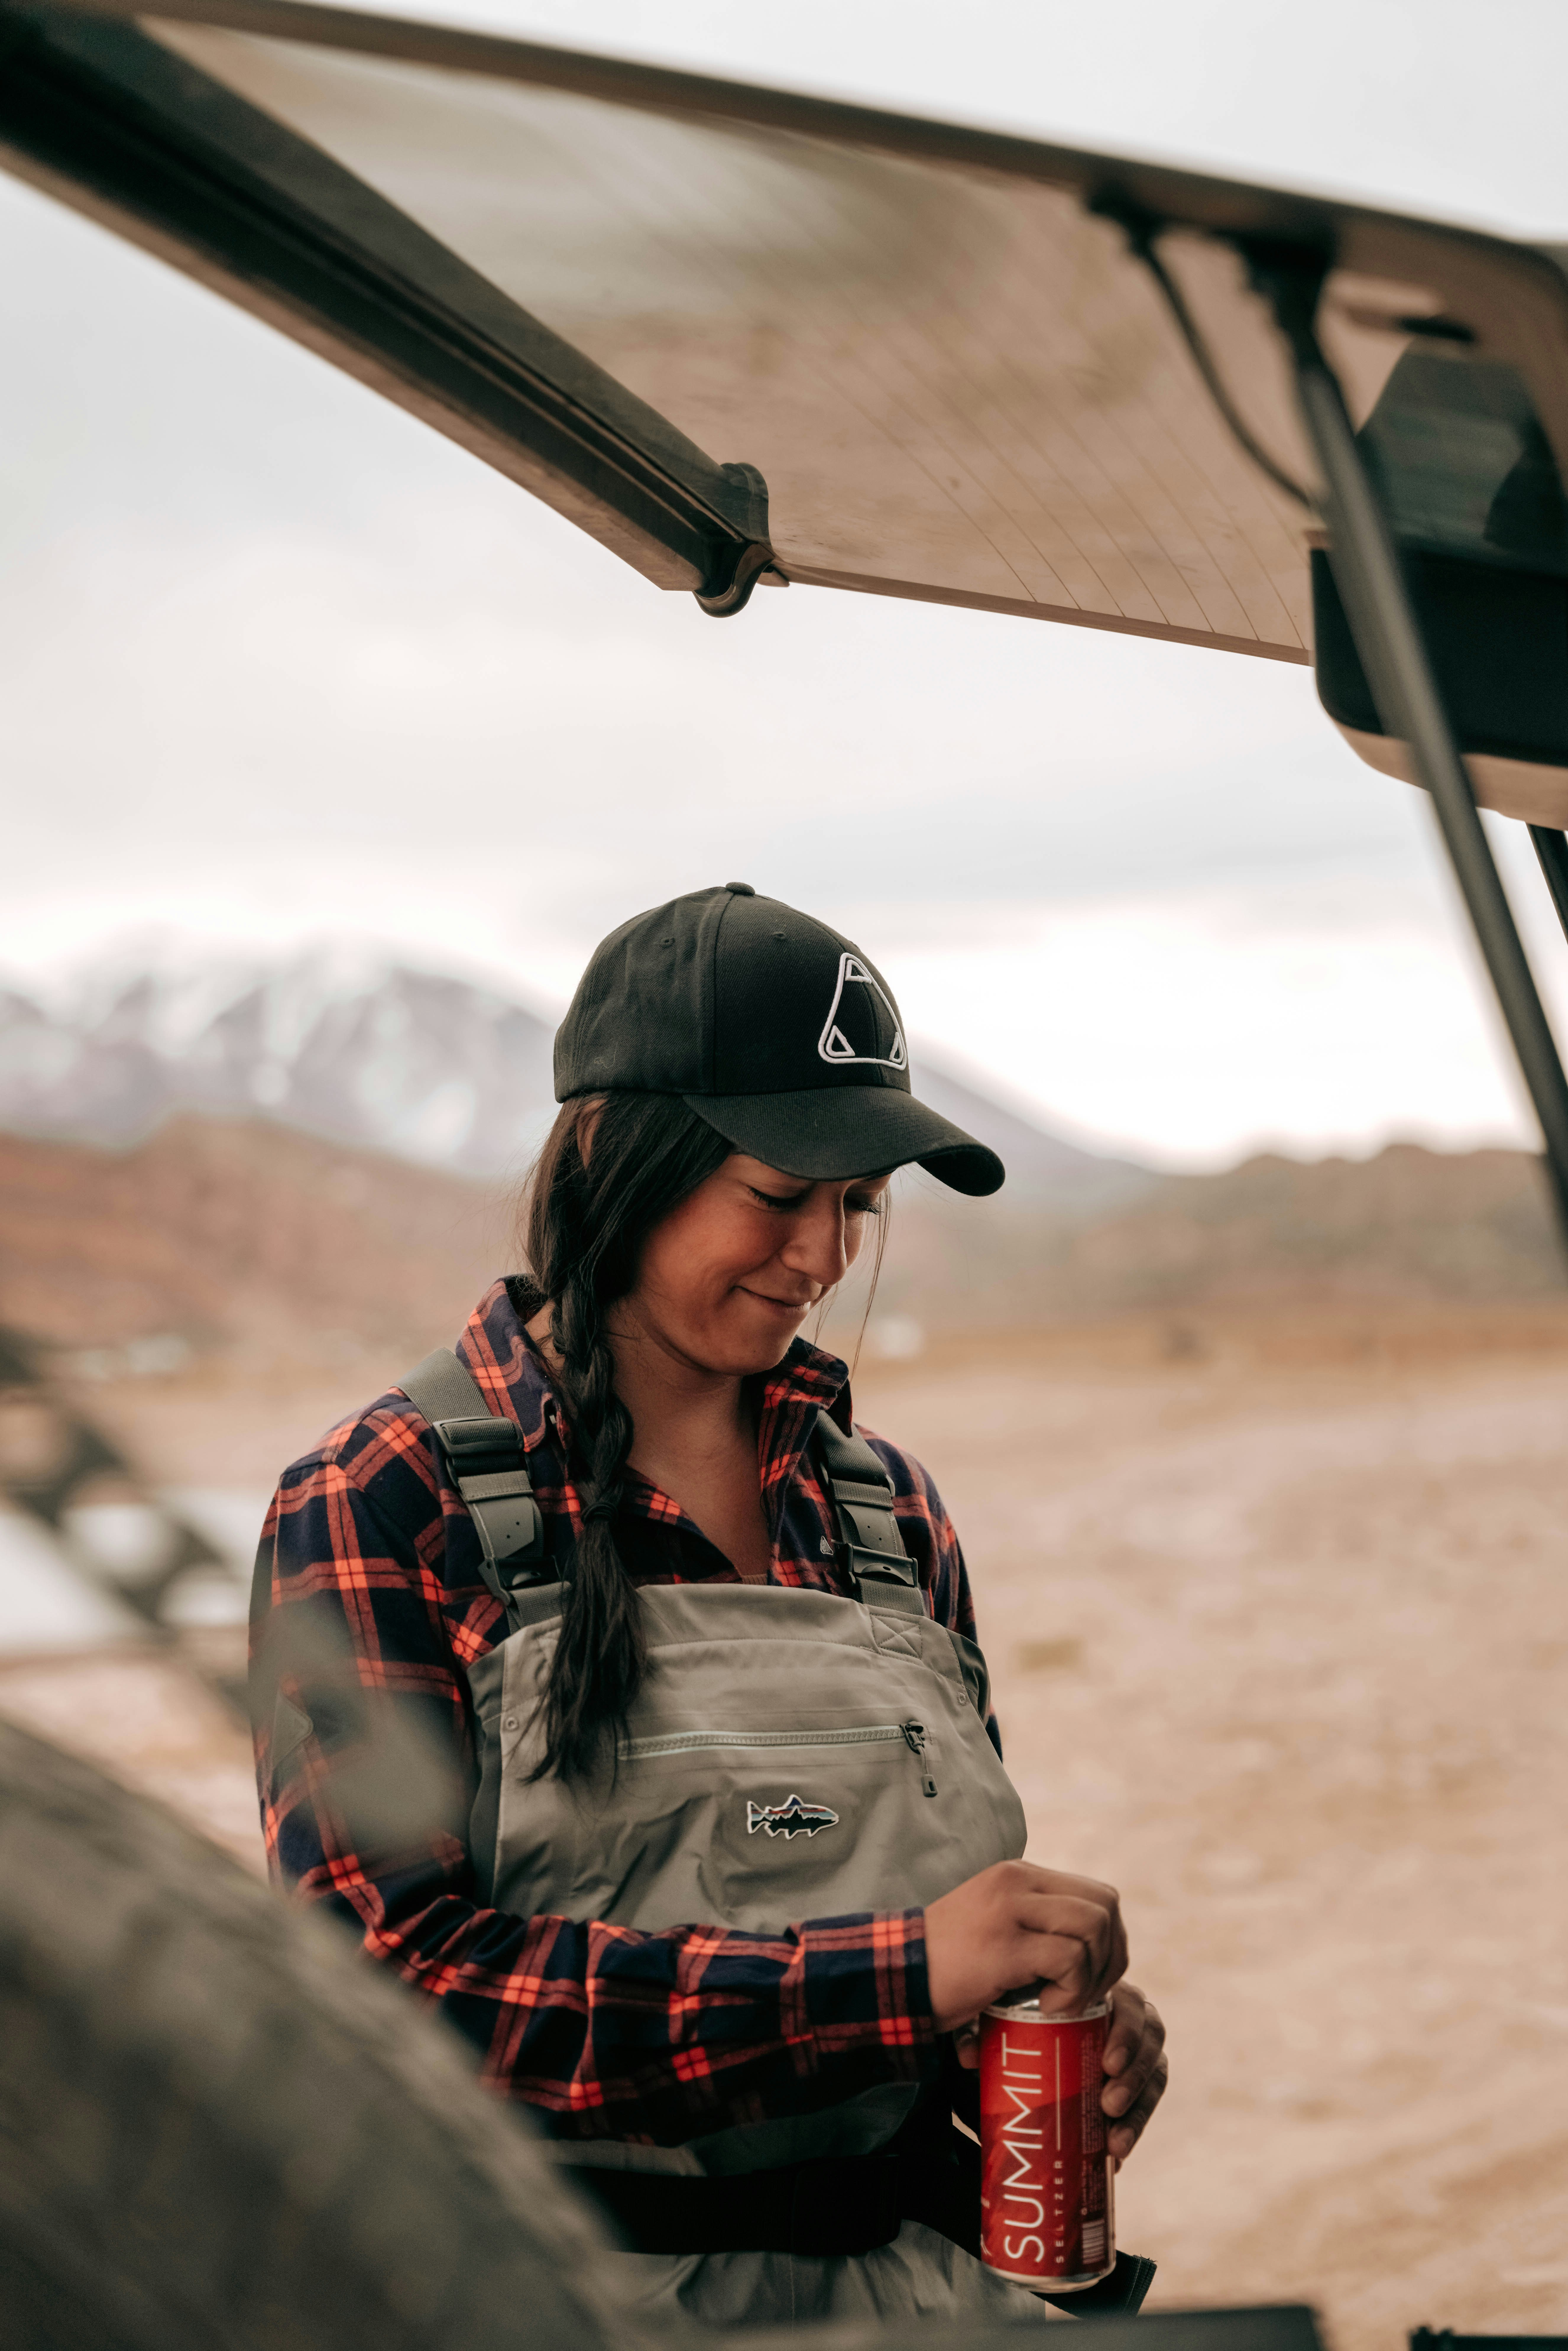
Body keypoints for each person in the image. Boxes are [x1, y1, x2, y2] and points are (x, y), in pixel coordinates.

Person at [251, 883, 1167, 2328]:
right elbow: (388, 1997)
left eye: (859, 1203)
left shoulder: (890, 1512)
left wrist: (1036, 2024)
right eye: (779, 1194)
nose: (826, 1257)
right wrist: (902, 1976)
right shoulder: (386, 1498)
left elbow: (931, 1941)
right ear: (614, 1155)